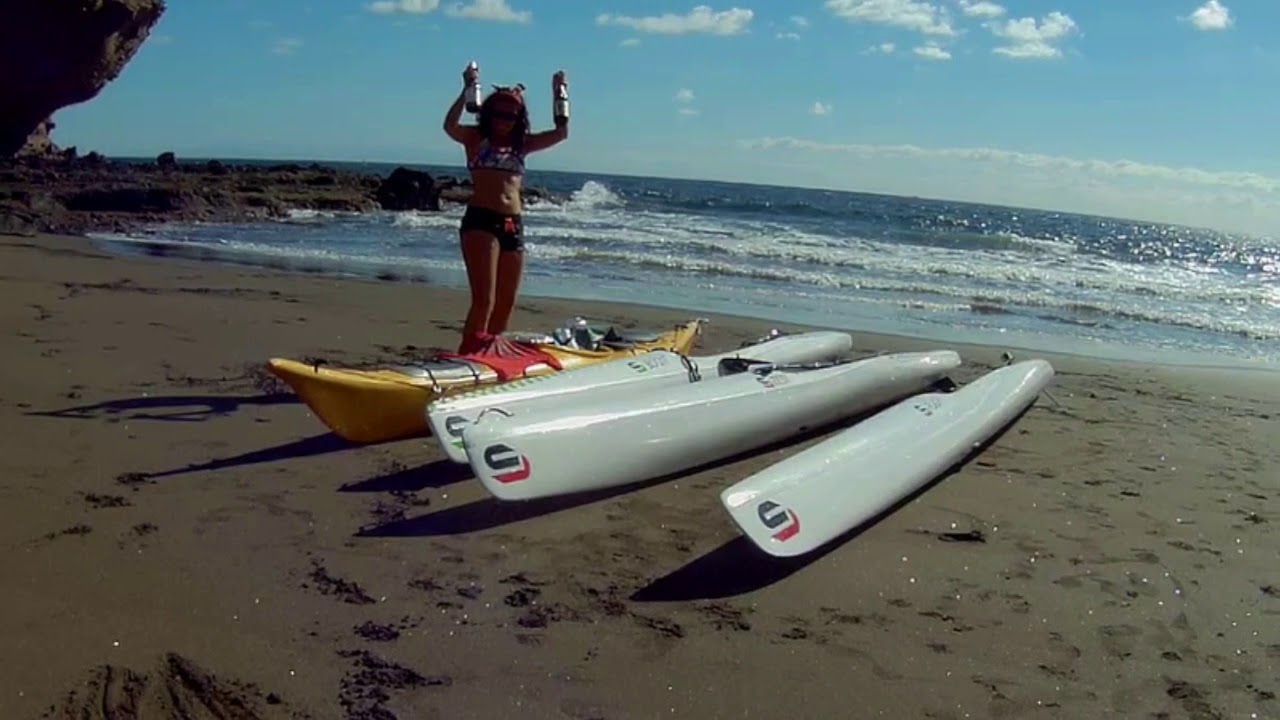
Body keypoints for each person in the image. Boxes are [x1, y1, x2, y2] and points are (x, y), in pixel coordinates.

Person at [442, 63, 570, 354]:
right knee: (484, 299)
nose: (504, 120)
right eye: (498, 113)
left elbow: (561, 134)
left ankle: (492, 354)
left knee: (506, 300)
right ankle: (468, 355)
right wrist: (466, 91)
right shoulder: (476, 140)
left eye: (510, 115)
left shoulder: (521, 144)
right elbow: (450, 126)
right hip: (481, 220)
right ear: (488, 113)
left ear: (519, 117)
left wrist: (560, 93)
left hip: (513, 222)